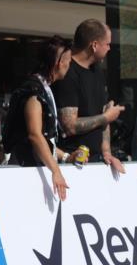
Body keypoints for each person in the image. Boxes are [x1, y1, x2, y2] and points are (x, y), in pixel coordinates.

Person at [3, 36, 73, 200]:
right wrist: (56, 170)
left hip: (35, 167)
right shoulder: (33, 90)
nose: (69, 65)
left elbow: (46, 138)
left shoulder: (44, 87)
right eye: (68, 60)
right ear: (58, 63)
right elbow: (35, 134)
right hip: (27, 169)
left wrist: (67, 156)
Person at [53, 19, 125, 170]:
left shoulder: (97, 71)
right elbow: (69, 125)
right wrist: (106, 117)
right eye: (107, 44)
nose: (109, 48)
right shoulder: (68, 73)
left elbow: (105, 112)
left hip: (98, 160)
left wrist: (107, 152)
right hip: (73, 162)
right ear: (94, 45)